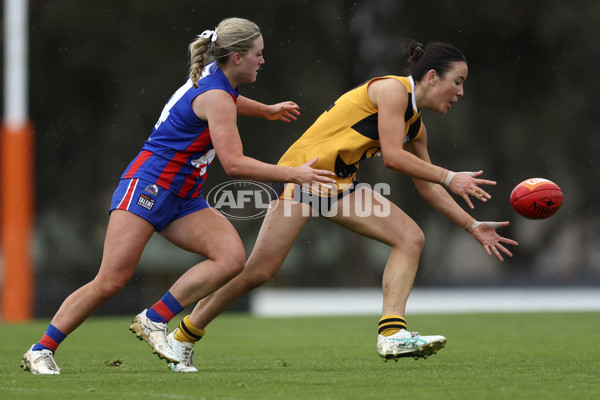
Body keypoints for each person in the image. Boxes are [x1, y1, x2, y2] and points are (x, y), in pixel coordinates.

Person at [163, 39, 519, 372]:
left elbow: (427, 187)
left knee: (410, 237)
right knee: (259, 271)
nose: (459, 92)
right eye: (457, 82)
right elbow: (394, 158)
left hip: (339, 185)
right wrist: (449, 176)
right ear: (430, 76)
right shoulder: (394, 90)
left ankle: (392, 335)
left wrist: (472, 226)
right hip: (303, 176)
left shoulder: (416, 126)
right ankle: (183, 336)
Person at [20, 17, 336, 375]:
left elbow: (229, 101)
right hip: (149, 186)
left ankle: (154, 319)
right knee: (111, 280)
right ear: (235, 57)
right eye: (258, 55)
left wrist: (265, 110)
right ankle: (40, 350)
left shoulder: (218, 84)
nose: (262, 61)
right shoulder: (216, 95)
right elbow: (233, 164)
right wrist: (294, 173)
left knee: (231, 258)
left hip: (183, 197)